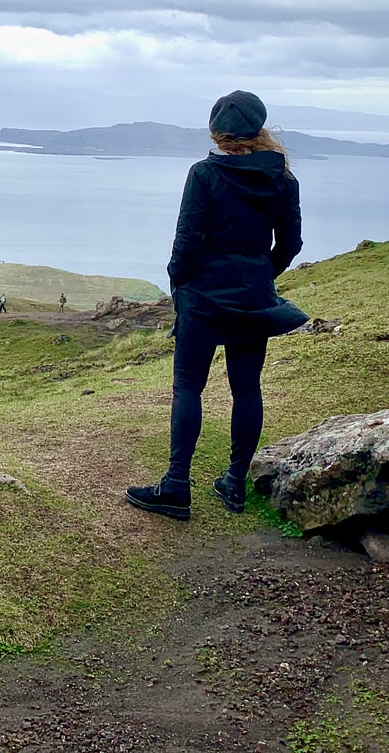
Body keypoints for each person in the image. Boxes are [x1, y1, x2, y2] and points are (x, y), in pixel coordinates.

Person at [125, 89, 306, 521]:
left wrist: (179, 286)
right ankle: (235, 484)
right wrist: (261, 277)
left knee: (188, 387)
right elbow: (291, 245)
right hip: (253, 300)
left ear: (217, 132)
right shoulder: (283, 179)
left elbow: (185, 243)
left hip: (203, 298)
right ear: (259, 130)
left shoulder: (204, 174)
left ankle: (175, 486)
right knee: (247, 389)